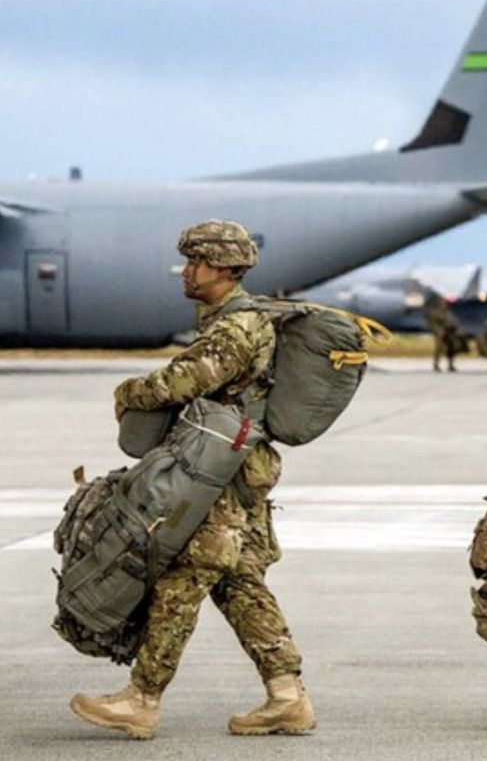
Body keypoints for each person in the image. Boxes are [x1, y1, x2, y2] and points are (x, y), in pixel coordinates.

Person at [70, 220, 314, 739]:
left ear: (222, 268)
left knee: (183, 579)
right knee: (238, 580)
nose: (187, 271)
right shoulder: (230, 320)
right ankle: (286, 696)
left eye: (196, 261)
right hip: (231, 468)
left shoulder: (235, 327)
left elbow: (186, 380)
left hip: (218, 475)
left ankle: (142, 699)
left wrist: (129, 393)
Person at [425, 295, 462, 372]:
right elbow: (432, 324)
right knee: (439, 348)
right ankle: (436, 364)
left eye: (444, 303)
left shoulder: (448, 313)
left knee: (451, 347)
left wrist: (457, 328)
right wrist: (438, 331)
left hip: (449, 333)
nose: (443, 305)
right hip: (440, 333)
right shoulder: (434, 313)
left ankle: (450, 364)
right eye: (442, 303)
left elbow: (454, 322)